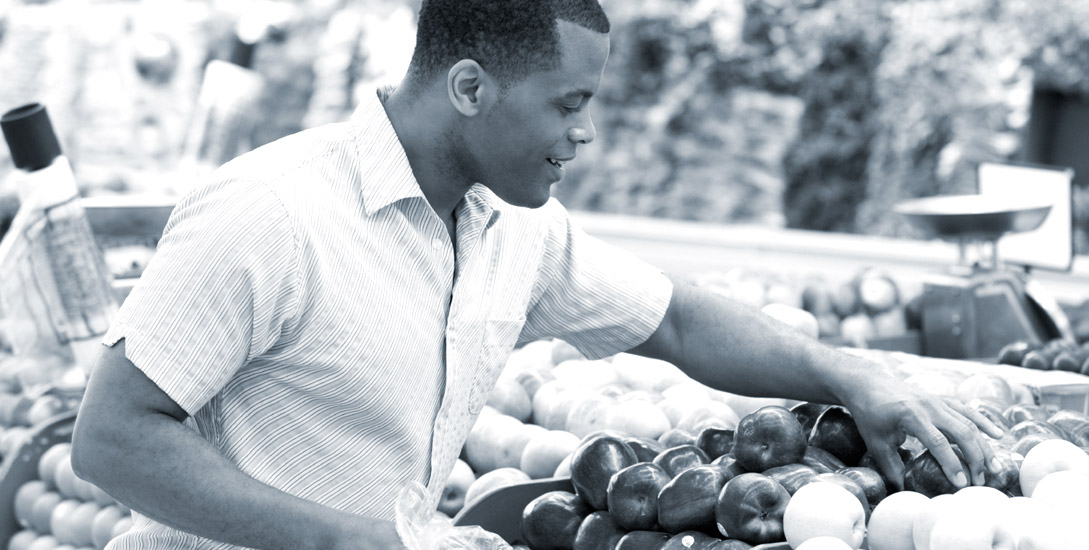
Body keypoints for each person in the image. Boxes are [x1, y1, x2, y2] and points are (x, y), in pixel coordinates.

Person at [71, 0, 1003, 549]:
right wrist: (345, 538)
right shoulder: (269, 212)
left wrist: (851, 375)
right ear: (470, 89)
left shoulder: (510, 226)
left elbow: (675, 323)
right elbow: (111, 438)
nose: (585, 133)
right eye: (570, 104)